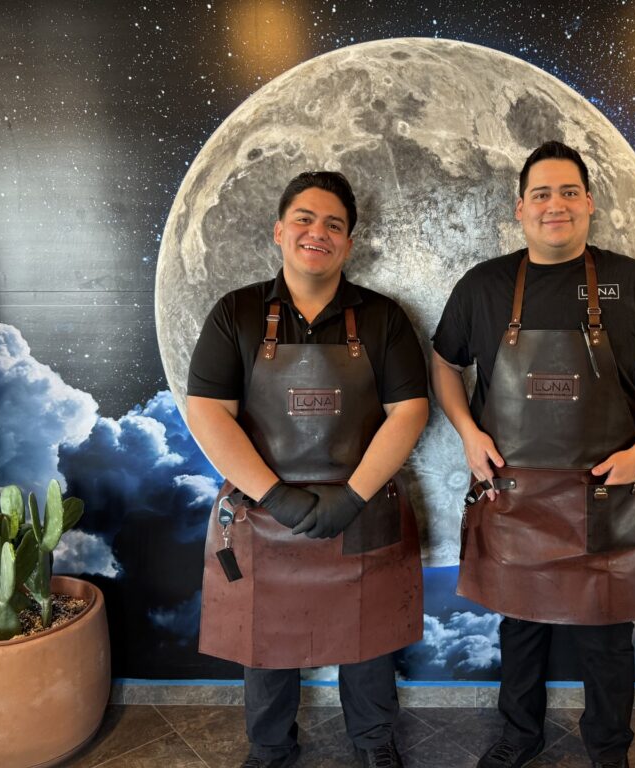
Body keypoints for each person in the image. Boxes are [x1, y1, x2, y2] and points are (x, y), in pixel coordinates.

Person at [431, 142, 635, 768]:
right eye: (542, 194)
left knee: (607, 638)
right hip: (513, 495)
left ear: (590, 204)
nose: (556, 205)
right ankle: (517, 739)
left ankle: (609, 750)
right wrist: (468, 433)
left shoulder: (632, 283)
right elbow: (445, 363)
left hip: (604, 492)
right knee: (520, 631)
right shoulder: (484, 286)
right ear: (521, 208)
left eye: (569, 192)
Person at [187, 171, 428, 768]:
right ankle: (269, 750)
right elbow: (208, 413)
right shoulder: (235, 313)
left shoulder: (384, 318)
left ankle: (375, 745)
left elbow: (409, 411)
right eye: (304, 218)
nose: (317, 232)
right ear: (279, 230)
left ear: (348, 242)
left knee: (369, 641)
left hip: (363, 511)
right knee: (267, 644)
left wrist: (352, 495)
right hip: (265, 516)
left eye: (333, 225)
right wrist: (274, 495)